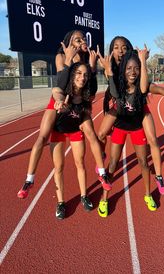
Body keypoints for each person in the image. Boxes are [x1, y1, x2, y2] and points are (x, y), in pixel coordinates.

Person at [97, 36, 164, 197]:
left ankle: (158, 176)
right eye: (116, 47)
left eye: (124, 47)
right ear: (112, 51)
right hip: (120, 108)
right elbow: (113, 91)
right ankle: (101, 160)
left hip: (138, 108)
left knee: (151, 141)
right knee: (102, 134)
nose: (120, 50)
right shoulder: (111, 68)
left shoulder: (136, 69)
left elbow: (157, 89)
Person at [17, 30, 110, 199]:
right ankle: (29, 179)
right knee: (42, 136)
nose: (82, 40)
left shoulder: (86, 60)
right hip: (60, 100)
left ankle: (102, 173)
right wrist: (68, 59)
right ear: (69, 42)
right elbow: (60, 85)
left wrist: (93, 67)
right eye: (78, 39)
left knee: (91, 133)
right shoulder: (61, 56)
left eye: (83, 38)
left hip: (78, 104)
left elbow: (91, 90)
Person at [97, 48, 158, 217]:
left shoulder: (141, 87)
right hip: (120, 129)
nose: (133, 72)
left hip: (137, 128)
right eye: (129, 68)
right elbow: (113, 90)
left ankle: (148, 195)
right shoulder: (118, 85)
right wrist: (108, 70)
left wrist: (142, 61)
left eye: (136, 68)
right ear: (123, 70)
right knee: (112, 164)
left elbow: (152, 87)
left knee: (143, 163)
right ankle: (104, 198)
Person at [51, 61, 96, 219]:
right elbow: (55, 91)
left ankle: (84, 196)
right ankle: (61, 202)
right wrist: (59, 103)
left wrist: (85, 120)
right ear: (72, 75)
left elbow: (86, 112)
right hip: (58, 132)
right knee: (59, 167)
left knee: (80, 163)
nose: (82, 77)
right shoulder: (63, 91)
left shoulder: (85, 96)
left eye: (85, 75)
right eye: (78, 73)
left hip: (75, 131)